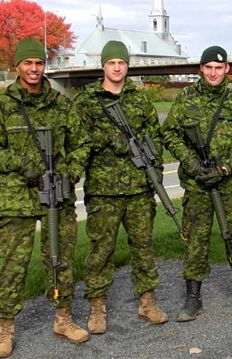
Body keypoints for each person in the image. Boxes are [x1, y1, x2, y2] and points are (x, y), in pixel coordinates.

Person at [0, 37, 89, 358]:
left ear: (44, 66)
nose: (34, 69)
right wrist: (21, 165)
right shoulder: (3, 106)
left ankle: (63, 319)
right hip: (16, 200)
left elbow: (82, 144)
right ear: (18, 66)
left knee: (61, 258)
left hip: (57, 195)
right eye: (28, 63)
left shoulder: (61, 104)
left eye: (39, 63)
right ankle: (5, 329)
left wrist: (69, 172)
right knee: (13, 265)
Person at [161, 45, 232, 321]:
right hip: (197, 186)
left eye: (218, 68)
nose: (213, 72)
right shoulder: (185, 98)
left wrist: (225, 168)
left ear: (226, 70)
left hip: (230, 186)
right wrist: (192, 164)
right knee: (196, 240)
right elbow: (171, 135)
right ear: (201, 69)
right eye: (208, 68)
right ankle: (192, 298)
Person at [67, 41, 169, 335]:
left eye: (121, 63)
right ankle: (97, 307)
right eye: (111, 63)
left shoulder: (140, 101)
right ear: (103, 66)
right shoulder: (87, 101)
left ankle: (147, 301)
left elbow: (155, 140)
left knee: (143, 247)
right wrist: (109, 140)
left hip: (139, 189)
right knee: (102, 250)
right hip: (103, 190)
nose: (117, 68)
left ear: (127, 66)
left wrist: (156, 171)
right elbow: (78, 142)